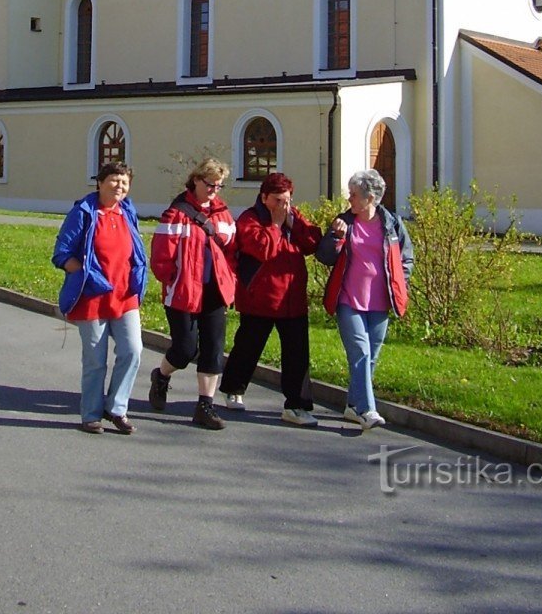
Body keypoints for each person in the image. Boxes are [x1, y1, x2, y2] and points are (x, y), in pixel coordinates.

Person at [52, 162, 148, 435]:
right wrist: (85, 275)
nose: (120, 186)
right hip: (92, 297)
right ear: (100, 183)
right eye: (115, 181)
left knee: (133, 351)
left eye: (125, 182)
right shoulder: (82, 212)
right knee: (95, 360)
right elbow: (62, 254)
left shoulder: (127, 211)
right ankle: (91, 414)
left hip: (125, 295)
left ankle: (116, 408)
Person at [219, 172, 322, 426]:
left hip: (292, 299)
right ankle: (234, 387)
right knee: (248, 347)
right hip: (260, 299)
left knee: (297, 354)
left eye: (287, 200)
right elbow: (263, 249)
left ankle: (297, 405)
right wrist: (275, 226)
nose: (283, 206)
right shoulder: (250, 219)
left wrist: (293, 224)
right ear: (264, 197)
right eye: (277, 200)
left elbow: (312, 243)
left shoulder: (292, 216)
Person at [316, 169, 413, 430]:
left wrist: (400, 281)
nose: (350, 199)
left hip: (380, 302)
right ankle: (368, 409)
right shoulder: (344, 222)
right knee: (360, 352)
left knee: (371, 357)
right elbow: (324, 256)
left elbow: (406, 257)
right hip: (349, 299)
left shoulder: (392, 224)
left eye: (355, 195)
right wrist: (336, 237)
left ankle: (352, 405)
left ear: (370, 198)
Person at [148, 157, 236, 430]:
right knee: (185, 349)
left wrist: (228, 279)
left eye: (219, 186)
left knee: (213, 350)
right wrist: (172, 280)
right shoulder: (176, 214)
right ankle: (161, 376)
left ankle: (204, 406)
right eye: (210, 184)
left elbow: (232, 250)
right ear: (196, 180)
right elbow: (161, 257)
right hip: (183, 292)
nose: (214, 191)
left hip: (214, 291)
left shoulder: (222, 213)